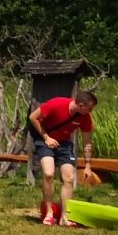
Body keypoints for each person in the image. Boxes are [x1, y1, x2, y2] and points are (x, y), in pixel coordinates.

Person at [25, 88, 97, 226]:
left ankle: (65, 217)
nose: (91, 112)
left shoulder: (85, 118)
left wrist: (88, 165)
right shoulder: (57, 104)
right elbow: (33, 117)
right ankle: (49, 213)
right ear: (81, 106)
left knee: (69, 178)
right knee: (48, 173)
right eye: (90, 108)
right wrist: (46, 137)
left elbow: (87, 141)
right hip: (45, 140)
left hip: (64, 144)